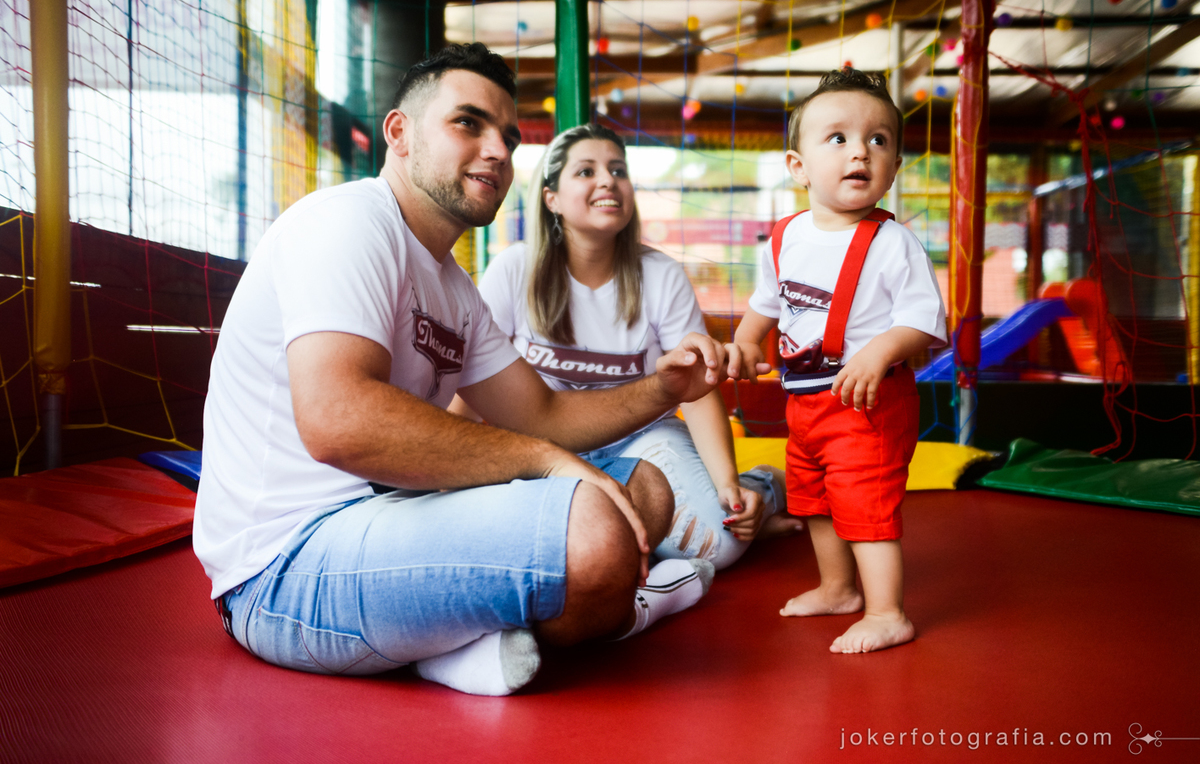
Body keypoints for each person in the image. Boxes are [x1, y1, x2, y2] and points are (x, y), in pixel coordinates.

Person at [193, 43, 762, 697]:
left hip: (392, 518)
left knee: (650, 489)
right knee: (598, 532)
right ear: (400, 133)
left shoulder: (453, 286)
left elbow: (544, 413)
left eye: (509, 137)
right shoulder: (346, 222)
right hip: (283, 569)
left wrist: (664, 387)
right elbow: (337, 422)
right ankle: (520, 623)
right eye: (469, 123)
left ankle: (457, 638)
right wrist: (543, 462)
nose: (497, 149)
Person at [450, 123, 802, 573]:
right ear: (550, 197)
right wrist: (446, 478)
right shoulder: (515, 269)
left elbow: (695, 391)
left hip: (642, 439)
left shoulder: (660, 275)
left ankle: (766, 487)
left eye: (618, 170)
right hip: (546, 444)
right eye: (586, 171)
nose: (607, 180)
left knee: (719, 544)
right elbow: (474, 380)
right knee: (525, 540)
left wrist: (729, 487)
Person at [731, 68, 946, 654]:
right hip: (803, 402)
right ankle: (838, 588)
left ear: (894, 167)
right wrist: (748, 343)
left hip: (867, 403)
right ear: (797, 166)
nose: (860, 151)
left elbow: (925, 319)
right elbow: (765, 307)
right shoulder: (784, 238)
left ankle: (887, 611)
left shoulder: (892, 243)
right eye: (838, 139)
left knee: (864, 502)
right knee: (814, 497)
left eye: (879, 140)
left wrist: (879, 351)